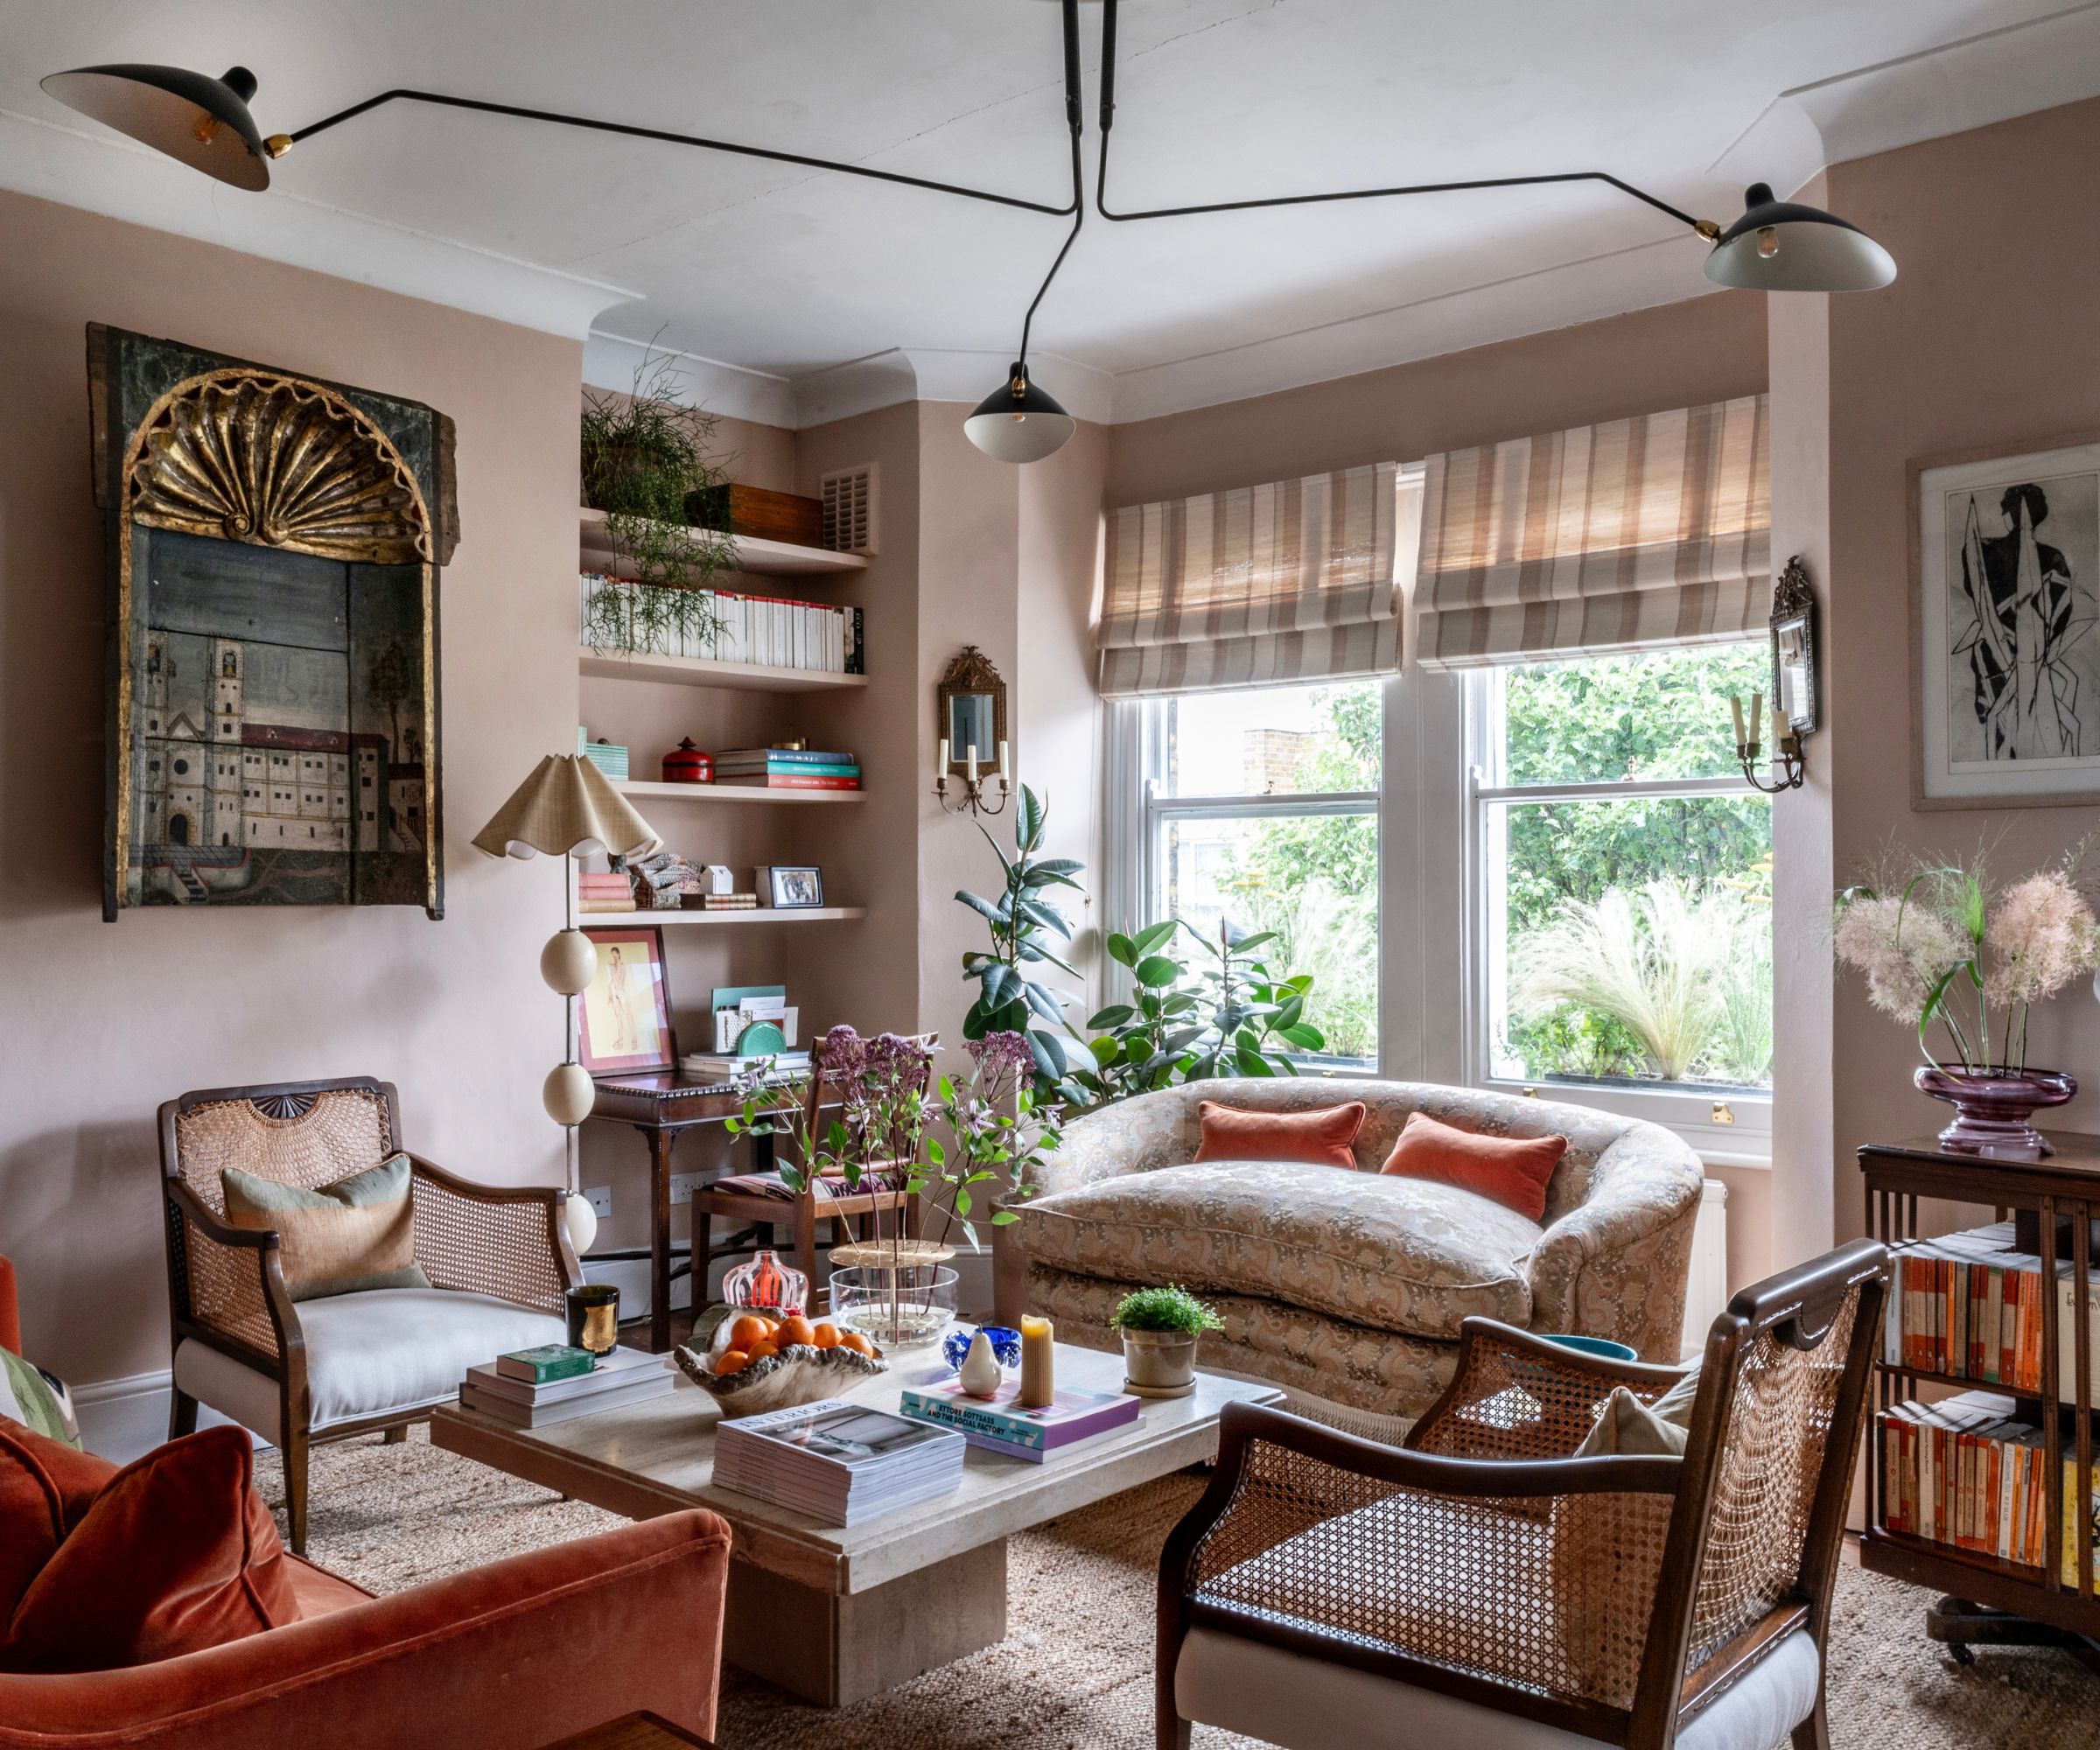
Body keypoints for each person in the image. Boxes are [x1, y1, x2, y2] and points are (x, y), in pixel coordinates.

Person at [1956, 482, 2080, 759]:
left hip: (1995, 651)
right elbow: (2060, 615)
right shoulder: (2053, 557)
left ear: (2007, 514)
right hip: (2035, 657)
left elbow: (1973, 590)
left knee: (2002, 724)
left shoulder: (1980, 551)